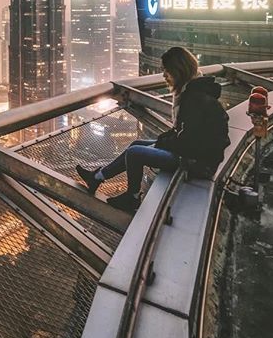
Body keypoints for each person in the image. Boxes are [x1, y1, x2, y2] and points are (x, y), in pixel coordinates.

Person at [76, 46, 230, 213]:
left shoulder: (194, 99)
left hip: (198, 163)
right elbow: (184, 132)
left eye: (167, 71)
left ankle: (132, 198)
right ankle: (97, 177)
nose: (164, 76)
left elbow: (188, 141)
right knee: (137, 143)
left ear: (178, 71)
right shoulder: (193, 91)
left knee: (135, 153)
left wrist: (163, 143)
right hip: (196, 154)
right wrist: (163, 141)